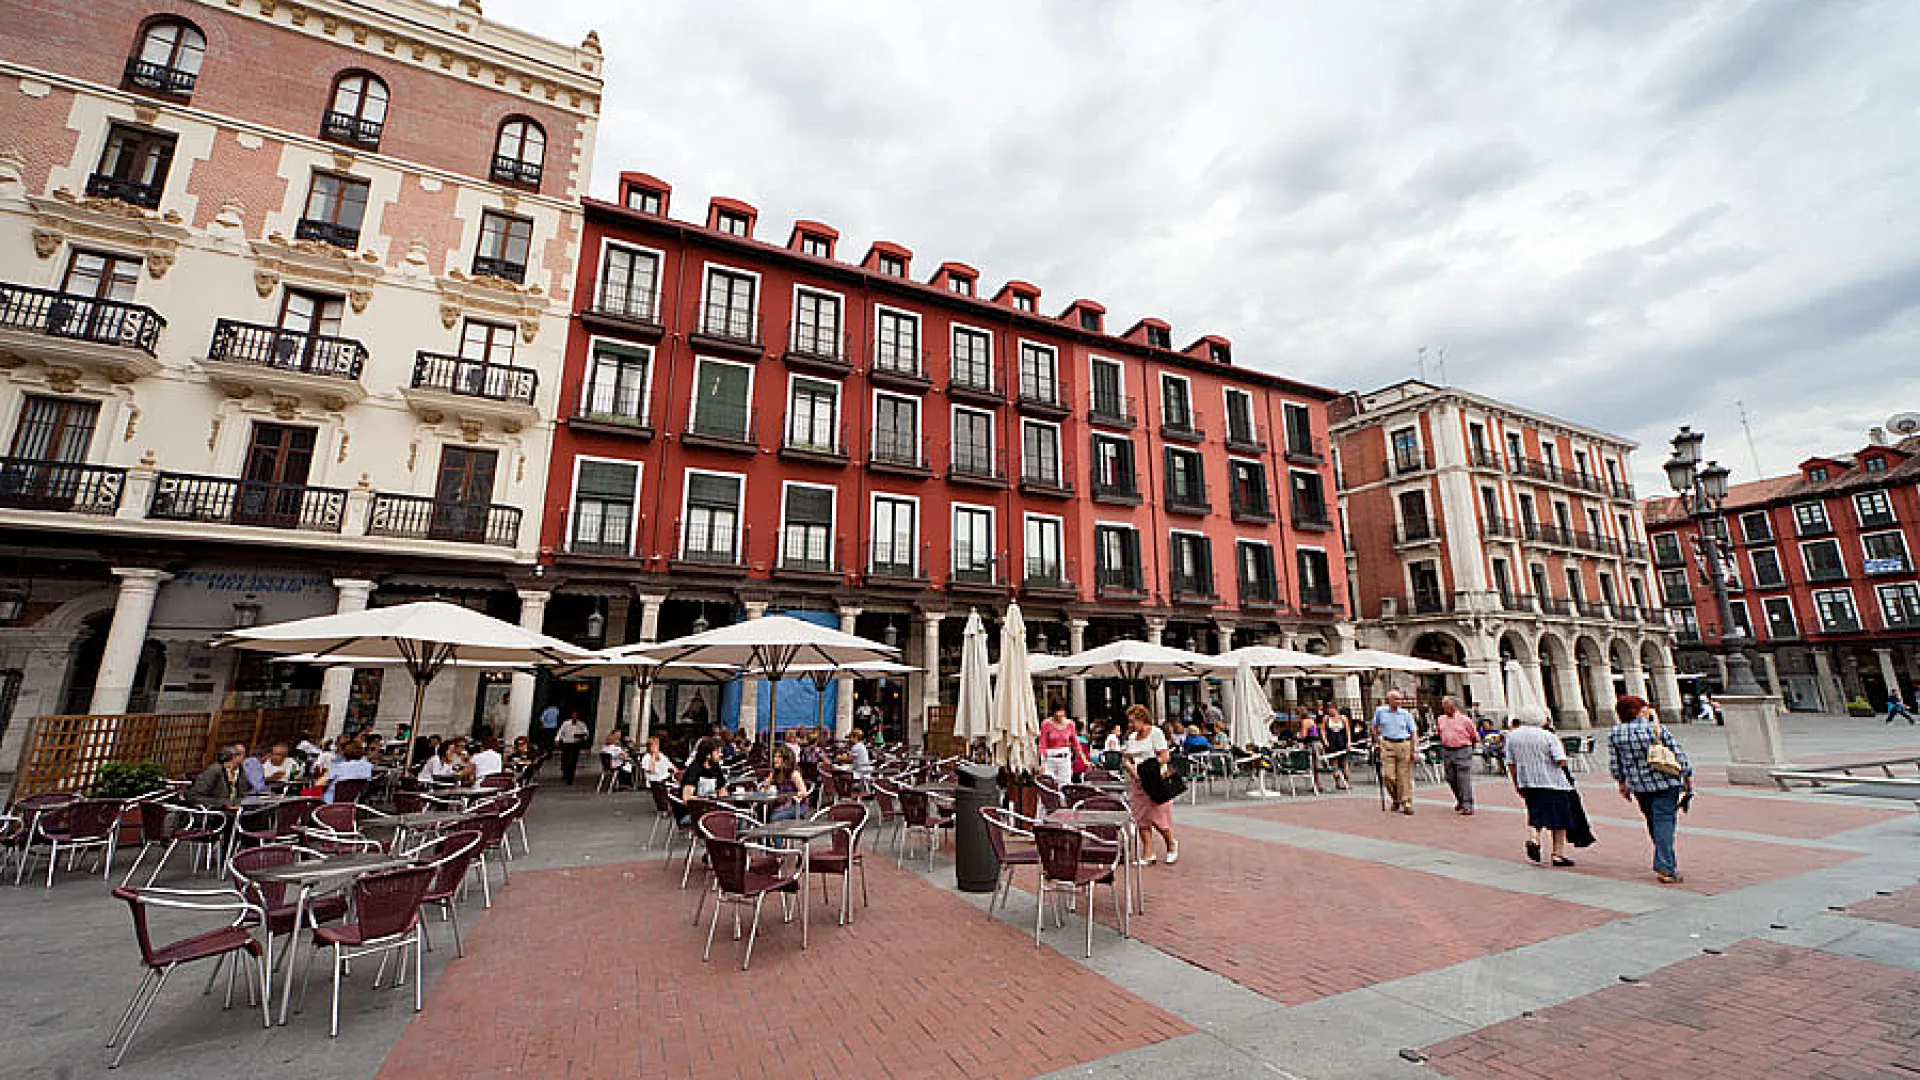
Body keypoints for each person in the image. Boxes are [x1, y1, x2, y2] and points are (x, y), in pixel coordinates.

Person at [1608, 695, 1694, 884]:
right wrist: (1687, 778)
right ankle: (1665, 866)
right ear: (1638, 711)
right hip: (1666, 782)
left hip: (1640, 786)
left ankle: (1664, 859)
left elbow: (1616, 764)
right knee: (1664, 822)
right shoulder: (1655, 728)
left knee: (1653, 821)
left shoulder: (1615, 733)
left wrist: (1622, 783)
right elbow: (1678, 754)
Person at [1504, 705, 1576, 867]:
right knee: (1559, 818)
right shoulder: (1548, 736)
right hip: (1552, 782)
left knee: (1535, 812)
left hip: (1527, 782)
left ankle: (1534, 839)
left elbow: (1510, 763)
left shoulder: (1512, 737)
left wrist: (1516, 783)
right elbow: (1560, 760)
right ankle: (1558, 854)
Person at [1120, 704, 1178, 865]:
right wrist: (1129, 765)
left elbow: (1164, 756)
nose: (1131, 725)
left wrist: (1148, 766)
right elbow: (1127, 757)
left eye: (1133, 722)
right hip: (1137, 782)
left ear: (1142, 719)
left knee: (1160, 817)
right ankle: (1148, 852)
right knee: (1141, 818)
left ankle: (1171, 844)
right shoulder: (1132, 737)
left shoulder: (1156, 733)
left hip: (1155, 780)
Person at [1370, 689, 1419, 814]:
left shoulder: (1405, 714)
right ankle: (1396, 798)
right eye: (1396, 699)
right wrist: (1376, 742)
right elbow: (1374, 726)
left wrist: (1415, 750)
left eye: (1400, 699)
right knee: (1388, 775)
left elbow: (1414, 732)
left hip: (1403, 743)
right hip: (1387, 744)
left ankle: (1406, 802)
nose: (1399, 702)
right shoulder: (1380, 711)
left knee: (1404, 776)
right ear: (1389, 700)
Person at [1433, 696, 1480, 815]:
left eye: (1446, 704)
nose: (1443, 706)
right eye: (1443, 704)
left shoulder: (1465, 720)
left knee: (1463, 777)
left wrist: (1470, 748)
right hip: (1447, 750)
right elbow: (1438, 733)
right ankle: (1460, 799)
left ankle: (1467, 804)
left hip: (1462, 749)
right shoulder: (1440, 719)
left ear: (1453, 705)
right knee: (1450, 777)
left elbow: (1474, 736)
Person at [762, 745, 810, 820]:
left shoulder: (794, 774)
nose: (775, 760)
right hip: (780, 803)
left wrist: (789, 796)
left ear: (786, 759)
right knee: (759, 812)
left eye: (779, 757)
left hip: (797, 805)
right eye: (774, 757)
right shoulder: (775, 773)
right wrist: (765, 786)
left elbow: (804, 792)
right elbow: (765, 787)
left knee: (775, 817)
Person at [322, 739, 374, 804]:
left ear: (344, 752)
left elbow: (320, 784)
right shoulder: (368, 766)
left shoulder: (338, 767)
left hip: (329, 803)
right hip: (353, 802)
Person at [1320, 702, 1352, 790]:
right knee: (1334, 762)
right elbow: (1322, 730)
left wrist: (1349, 741)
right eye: (1328, 709)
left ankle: (1347, 782)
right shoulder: (1326, 718)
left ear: (1336, 709)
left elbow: (1348, 730)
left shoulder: (1343, 718)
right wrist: (1325, 740)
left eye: (1331, 709)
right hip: (1332, 739)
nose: (1330, 711)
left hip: (1341, 739)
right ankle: (1337, 782)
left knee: (1344, 761)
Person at [555, 711, 590, 785]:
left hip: (576, 743)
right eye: (573, 716)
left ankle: (571, 775)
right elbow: (560, 732)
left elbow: (586, 733)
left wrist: (582, 736)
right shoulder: (566, 723)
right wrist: (557, 740)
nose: (574, 717)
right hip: (566, 742)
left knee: (573, 759)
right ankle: (565, 772)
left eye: (576, 716)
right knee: (565, 758)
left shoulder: (581, 724)